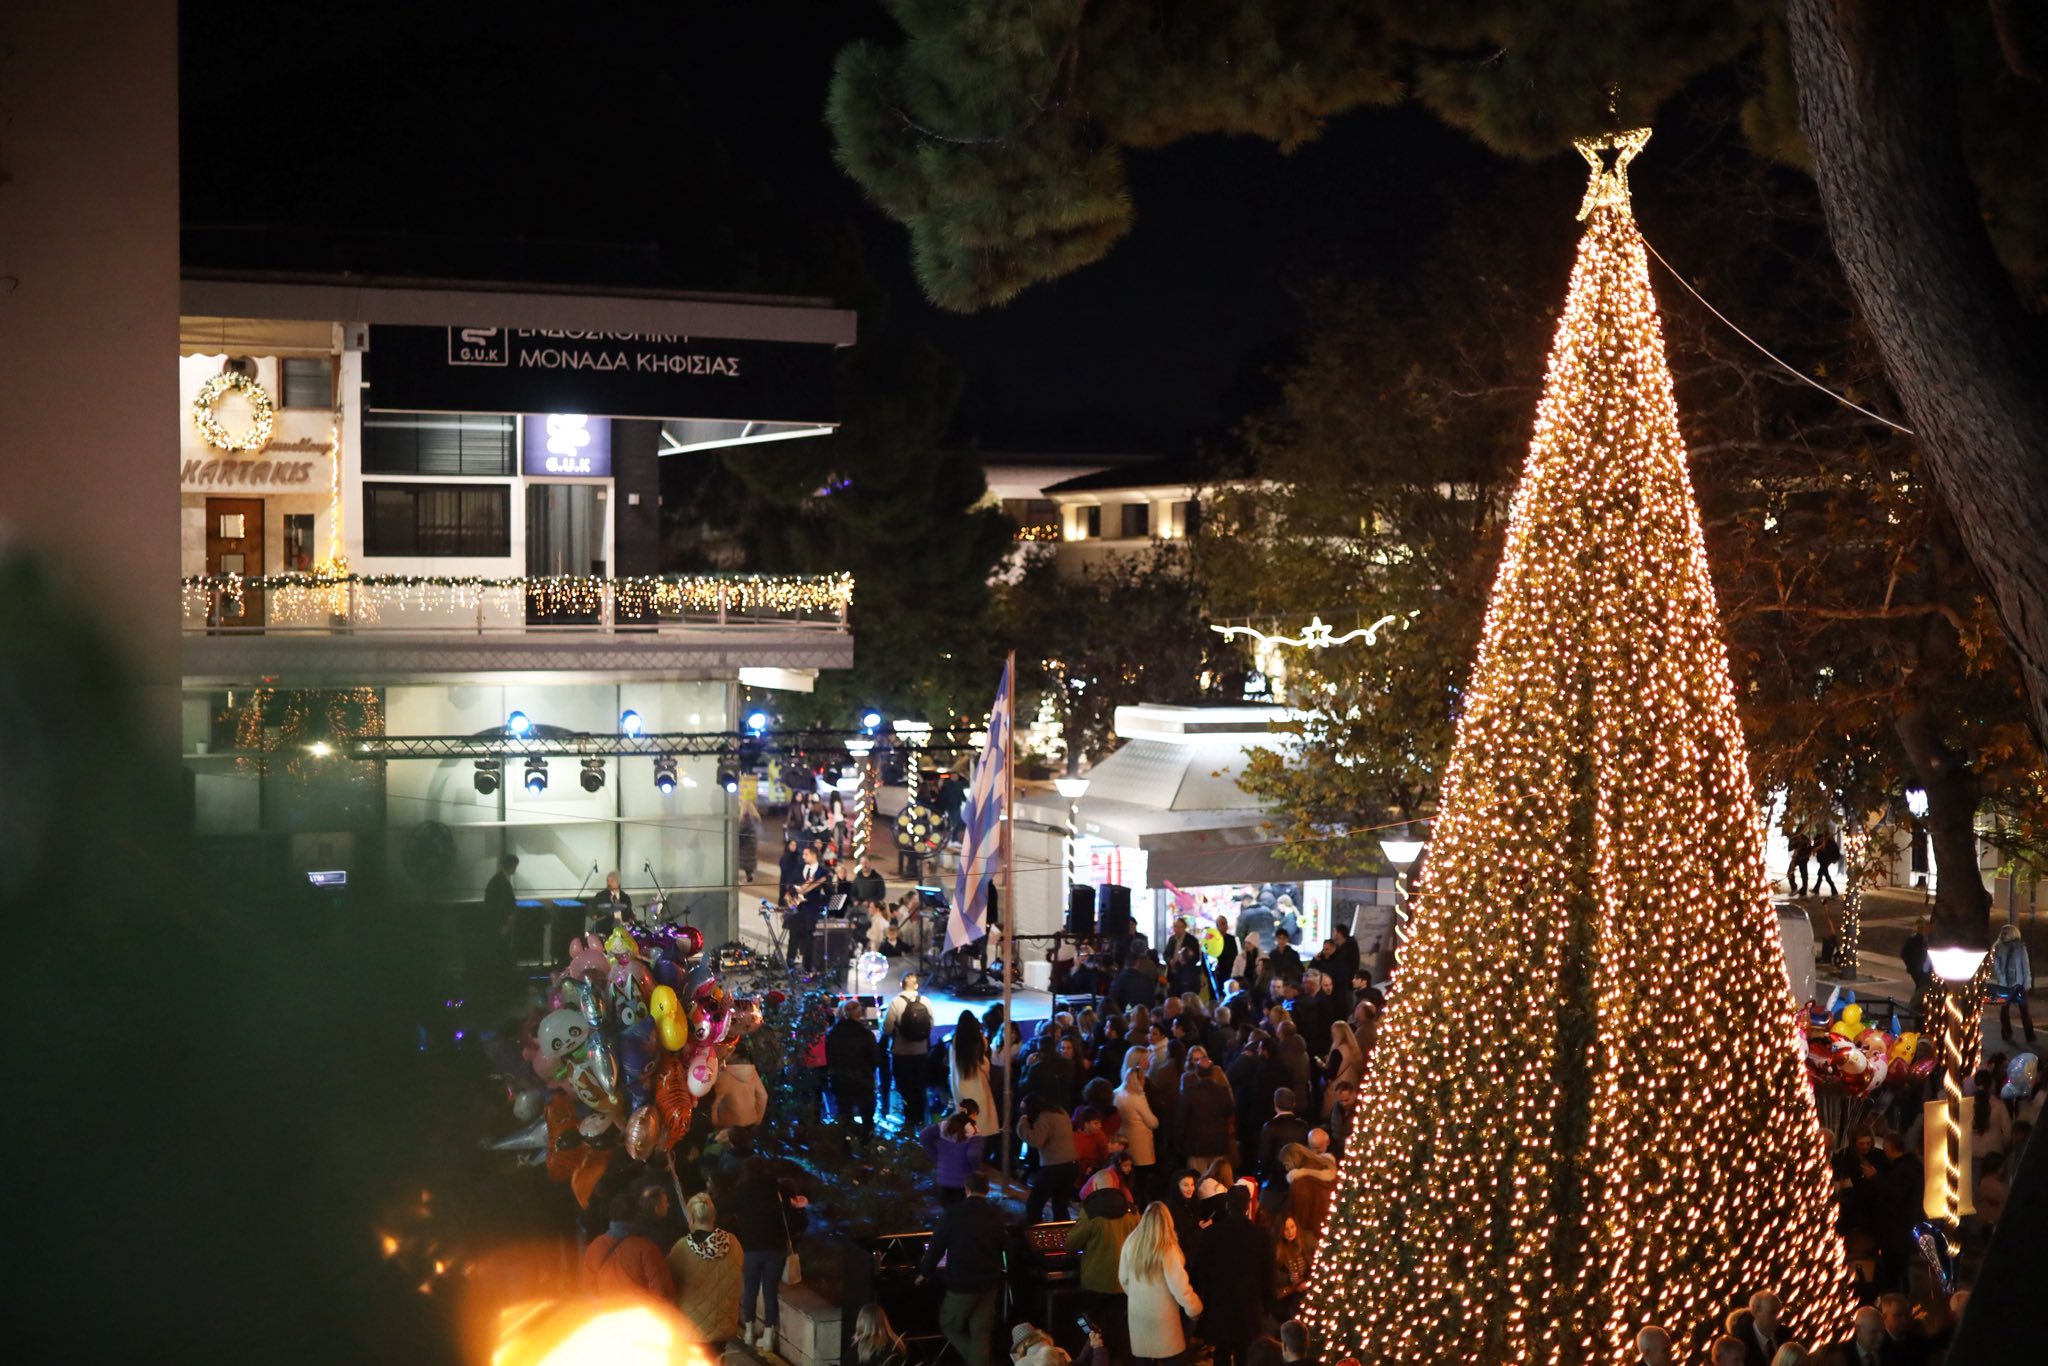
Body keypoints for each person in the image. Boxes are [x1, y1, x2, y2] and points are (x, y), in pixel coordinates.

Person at [919, 1172, 1006, 1366]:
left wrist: (925, 1272)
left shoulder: (953, 1213)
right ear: (988, 1189)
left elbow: (937, 1246)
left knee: (948, 1324)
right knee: (981, 1334)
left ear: (966, 1189)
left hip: (961, 1284)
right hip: (990, 1284)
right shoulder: (996, 1214)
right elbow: (1003, 1245)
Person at [726, 1159, 809, 1354]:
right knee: (770, 1291)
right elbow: (791, 1217)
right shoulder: (779, 1191)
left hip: (751, 1248)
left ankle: (748, 1332)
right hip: (776, 1248)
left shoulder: (743, 1191)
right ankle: (769, 1336)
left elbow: (726, 1208)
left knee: (750, 1290)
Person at [1191, 1185, 1277, 1366]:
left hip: (1220, 1304)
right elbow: (1268, 1274)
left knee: (1221, 1353)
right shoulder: (1262, 1236)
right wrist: (1268, 1305)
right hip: (1249, 1306)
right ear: (1247, 1207)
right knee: (1244, 1354)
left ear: (1227, 1205)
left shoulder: (1211, 1234)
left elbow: (1200, 1270)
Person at [1119, 1201, 1203, 1366]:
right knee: (1173, 1358)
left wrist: (1137, 1296)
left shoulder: (1131, 1242)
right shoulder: (1168, 1249)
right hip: (1164, 1319)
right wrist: (1194, 1307)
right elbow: (1180, 1288)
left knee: (1143, 1359)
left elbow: (1123, 1278)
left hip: (1139, 1314)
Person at [1066, 1181, 1140, 1362]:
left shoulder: (1092, 1213)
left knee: (1092, 1329)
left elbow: (1070, 1245)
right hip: (1124, 1283)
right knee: (1118, 1329)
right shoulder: (1133, 1213)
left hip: (1095, 1282)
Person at [668, 1191, 742, 1349]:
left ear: (692, 1218)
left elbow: (668, 1282)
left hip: (691, 1327)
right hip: (723, 1323)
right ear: (713, 1216)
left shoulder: (682, 1248)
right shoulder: (734, 1244)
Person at [584, 1191, 675, 1301]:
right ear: (636, 1216)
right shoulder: (646, 1248)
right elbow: (662, 1292)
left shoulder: (594, 1247)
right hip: (642, 1315)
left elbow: (590, 1288)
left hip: (608, 1313)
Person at [882, 972, 935, 1125]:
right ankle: (921, 1121)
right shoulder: (925, 1001)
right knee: (920, 1087)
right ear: (916, 985)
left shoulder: (896, 1002)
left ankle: (909, 1122)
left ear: (901, 984)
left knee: (905, 1089)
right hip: (921, 1053)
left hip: (901, 1053)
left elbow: (887, 1029)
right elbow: (931, 1025)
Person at [1021, 1094, 1079, 1223]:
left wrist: (1023, 1122)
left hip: (1055, 1167)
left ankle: (1034, 1232)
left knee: (1035, 1203)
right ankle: (1062, 1234)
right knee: (1060, 1204)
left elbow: (1035, 1140)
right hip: (1072, 1164)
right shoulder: (1060, 1112)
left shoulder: (1044, 1117)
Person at [826, 998, 882, 1133]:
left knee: (844, 1114)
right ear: (859, 1014)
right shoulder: (866, 1034)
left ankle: (844, 1145)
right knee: (867, 1116)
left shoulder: (833, 1034)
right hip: (862, 1079)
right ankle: (866, 1145)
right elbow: (875, 1059)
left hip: (840, 1079)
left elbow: (829, 1057)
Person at [1177, 1051, 1237, 1175]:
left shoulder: (1190, 1092)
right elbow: (1229, 1113)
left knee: (1198, 1179)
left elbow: (1181, 1119)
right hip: (1218, 1143)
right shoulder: (1223, 1091)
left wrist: (1179, 1142)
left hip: (1196, 1145)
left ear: (1197, 1073)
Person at [922, 1103, 987, 1205]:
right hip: (963, 1183)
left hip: (942, 1180)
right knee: (959, 1214)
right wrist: (977, 1171)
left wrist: (935, 1156)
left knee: (946, 1212)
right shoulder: (975, 1133)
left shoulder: (944, 1126)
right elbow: (973, 1154)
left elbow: (923, 1135)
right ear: (974, 1114)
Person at [1993, 922, 2035, 1042]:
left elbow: (2025, 967)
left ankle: (2030, 1034)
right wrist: (2001, 978)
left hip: (2018, 984)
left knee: (2024, 1010)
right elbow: (1996, 965)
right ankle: (2006, 1034)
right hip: (2004, 984)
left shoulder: (2020, 948)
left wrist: (2027, 982)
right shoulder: (1999, 947)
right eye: (2003, 932)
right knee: (2004, 1011)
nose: (2004, 935)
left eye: (2006, 932)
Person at [1730, 1292, 1790, 1366]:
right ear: (1755, 1311)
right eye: (1772, 1312)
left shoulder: (1784, 1335)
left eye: (1779, 1313)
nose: (1778, 1318)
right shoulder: (1740, 1341)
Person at [1272, 1212, 1310, 1320]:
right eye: (1286, 1229)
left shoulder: (1306, 1242)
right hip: (1286, 1292)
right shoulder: (1276, 1248)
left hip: (1304, 1288)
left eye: (1292, 1227)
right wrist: (1288, 1278)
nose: (1290, 1232)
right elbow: (1272, 1273)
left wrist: (1307, 1282)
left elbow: (1315, 1265)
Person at [1213, 914, 1240, 986]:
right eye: (1222, 924)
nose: (1225, 926)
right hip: (1217, 972)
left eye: (1225, 923)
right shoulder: (1213, 940)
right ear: (1217, 926)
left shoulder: (1231, 939)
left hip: (1229, 971)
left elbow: (1234, 955)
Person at [1814, 829, 1842, 897]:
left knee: (1825, 875)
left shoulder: (1830, 842)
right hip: (1824, 860)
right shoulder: (1827, 841)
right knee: (1820, 873)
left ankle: (1834, 891)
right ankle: (1816, 889)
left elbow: (1834, 851)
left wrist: (1835, 858)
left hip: (1825, 860)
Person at [1787, 828, 1813, 897]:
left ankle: (1803, 892)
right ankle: (1794, 888)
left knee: (1804, 875)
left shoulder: (1806, 839)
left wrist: (1808, 846)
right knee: (1790, 872)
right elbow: (1790, 848)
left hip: (1803, 859)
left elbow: (1810, 850)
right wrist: (1795, 843)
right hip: (1795, 858)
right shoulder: (1794, 838)